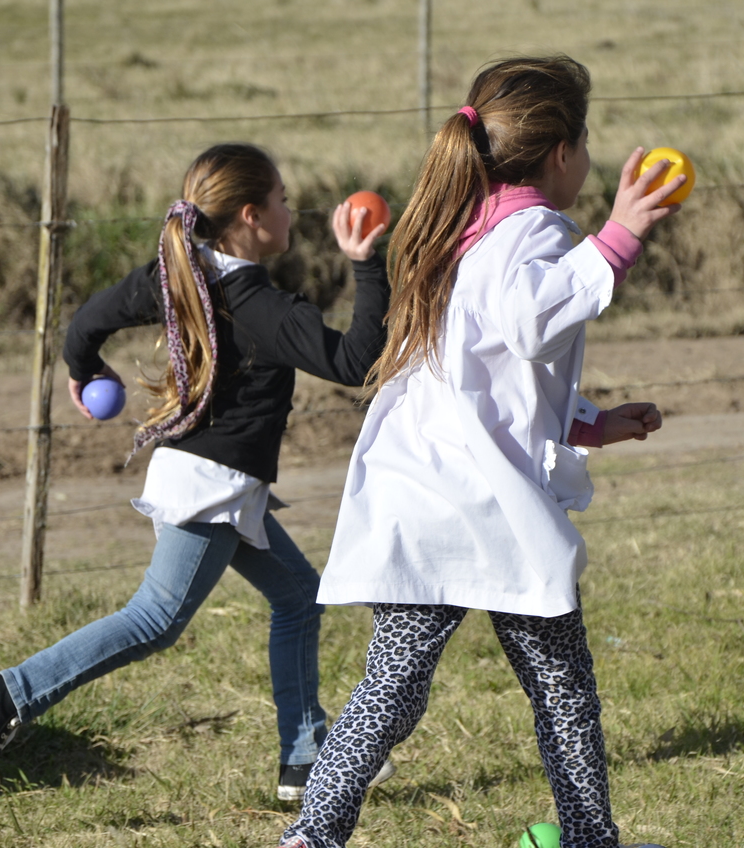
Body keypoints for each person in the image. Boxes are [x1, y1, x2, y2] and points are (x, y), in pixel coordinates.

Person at [279, 56, 681, 848]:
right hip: (480, 505)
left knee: (391, 690)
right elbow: (532, 325)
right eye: (588, 138)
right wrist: (620, 238)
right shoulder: (532, 230)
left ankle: (311, 836)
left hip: (430, 493)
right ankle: (591, 837)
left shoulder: (466, 226)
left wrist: (591, 424)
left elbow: (489, 380)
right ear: (560, 151)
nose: (592, 156)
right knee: (562, 690)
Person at [0, 142, 395, 801]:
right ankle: (8, 695)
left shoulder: (174, 277)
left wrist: (85, 372)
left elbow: (84, 323)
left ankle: (305, 756)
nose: (292, 211)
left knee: (297, 597)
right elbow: (357, 362)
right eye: (282, 201)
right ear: (251, 216)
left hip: (209, 479)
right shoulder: (266, 310)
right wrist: (368, 266)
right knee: (155, 620)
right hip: (210, 490)